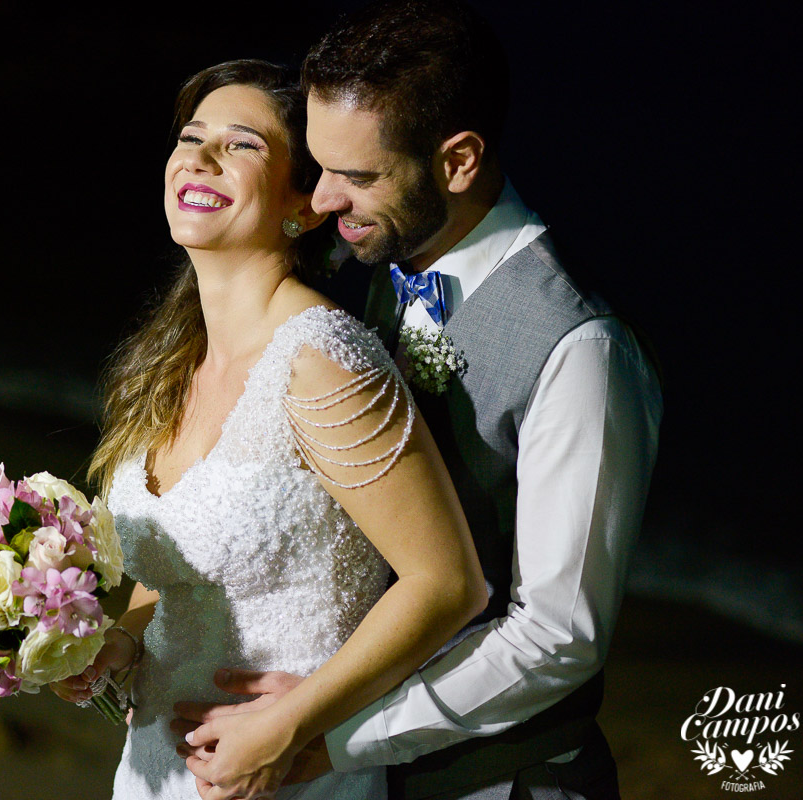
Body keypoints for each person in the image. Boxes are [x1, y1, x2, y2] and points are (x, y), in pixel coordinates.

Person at [172, 3, 664, 799]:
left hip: (502, 782)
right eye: (321, 167)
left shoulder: (581, 348)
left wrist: (334, 738)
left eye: (358, 176)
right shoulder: (386, 272)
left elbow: (558, 637)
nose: (325, 200)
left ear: (459, 160)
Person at [51, 59, 487, 799]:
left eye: (243, 144)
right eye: (191, 137)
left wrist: (290, 728)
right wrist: (120, 645)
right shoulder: (168, 363)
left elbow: (447, 584)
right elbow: (187, 566)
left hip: (287, 774)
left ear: (304, 205)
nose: (201, 155)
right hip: (158, 769)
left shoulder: (321, 360)